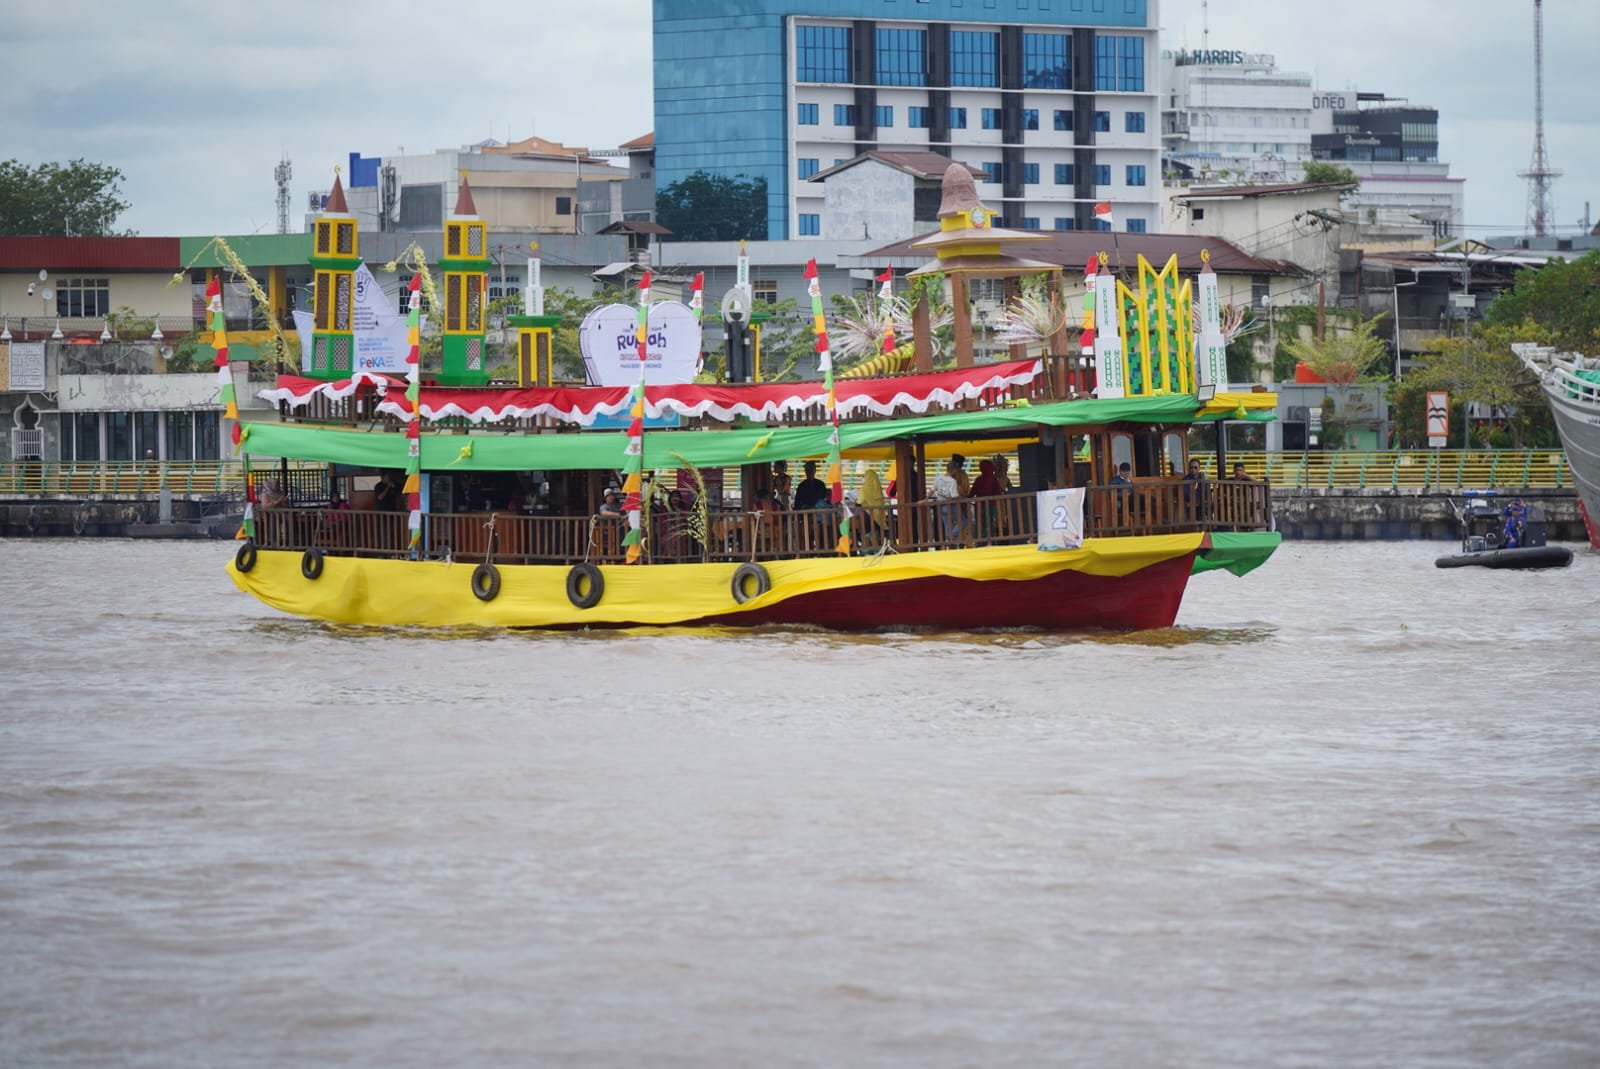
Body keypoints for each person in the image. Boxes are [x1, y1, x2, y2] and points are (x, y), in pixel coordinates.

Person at [929, 454, 968, 542]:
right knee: (963, 522)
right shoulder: (960, 476)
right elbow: (962, 491)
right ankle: (953, 536)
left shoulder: (941, 477)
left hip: (942, 504)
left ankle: (949, 543)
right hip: (955, 504)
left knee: (947, 525)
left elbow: (933, 490)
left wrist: (925, 499)